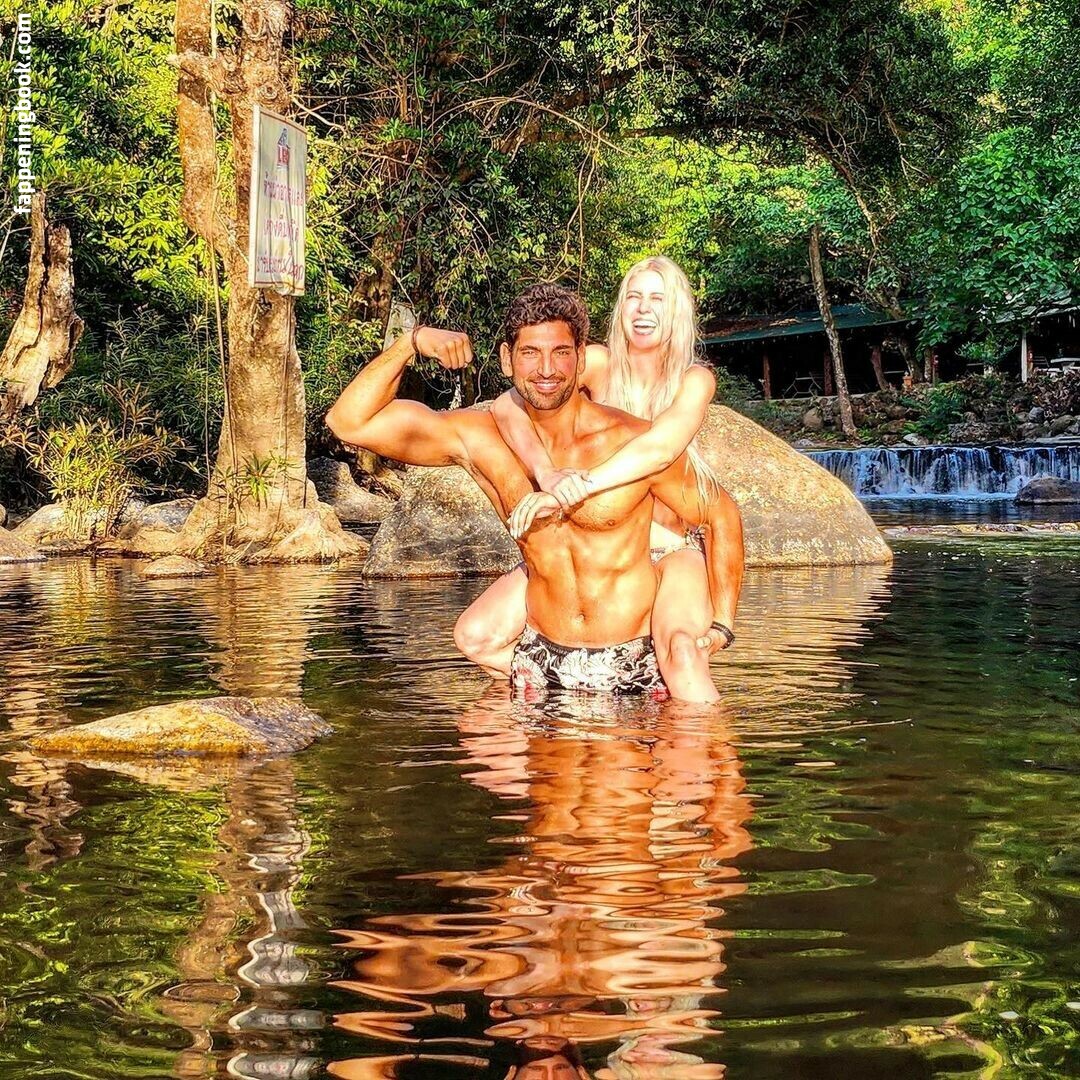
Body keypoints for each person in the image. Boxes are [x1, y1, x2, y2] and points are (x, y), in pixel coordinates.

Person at [325, 284, 743, 696]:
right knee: (475, 675)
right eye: (530, 353)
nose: (546, 370)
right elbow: (349, 423)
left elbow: (719, 513)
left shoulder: (629, 443)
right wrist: (410, 343)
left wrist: (722, 625)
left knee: (697, 726)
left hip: (639, 666)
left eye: (560, 352)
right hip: (541, 665)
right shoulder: (483, 439)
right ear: (507, 359)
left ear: (581, 358)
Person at [454, 256, 725, 702]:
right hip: (598, 539)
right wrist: (547, 472)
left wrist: (576, 489)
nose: (643, 309)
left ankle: (707, 739)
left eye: (657, 299)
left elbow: (658, 450)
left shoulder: (694, 379)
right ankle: (579, 689)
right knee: (475, 635)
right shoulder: (595, 362)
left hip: (668, 544)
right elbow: (507, 404)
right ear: (621, 308)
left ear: (677, 310)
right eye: (634, 297)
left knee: (681, 653)